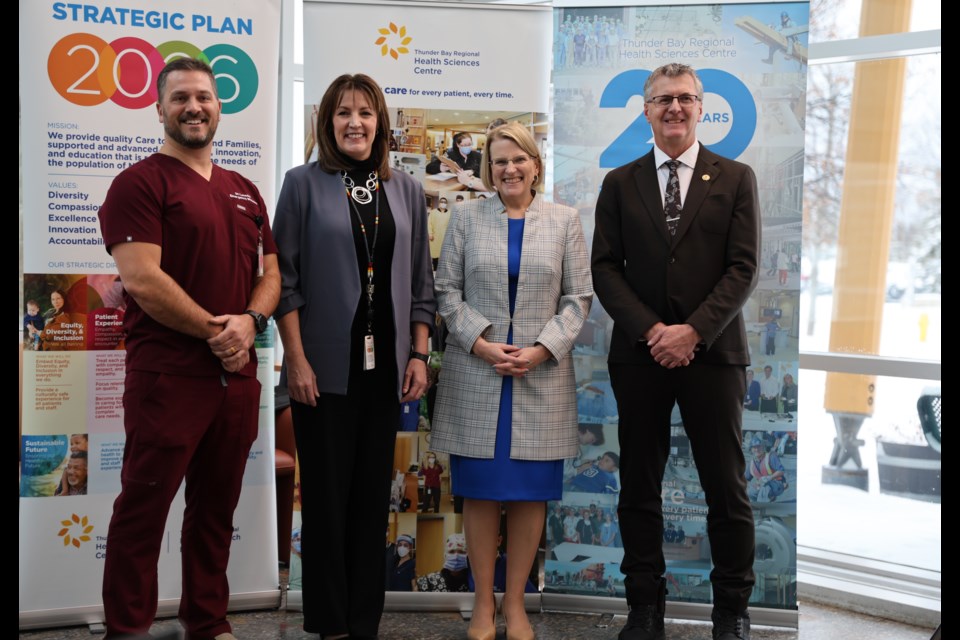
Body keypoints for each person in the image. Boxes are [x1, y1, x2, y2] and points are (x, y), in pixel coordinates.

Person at [97, 57, 280, 640]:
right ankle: (129, 629)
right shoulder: (139, 183)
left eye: (203, 96)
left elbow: (271, 273)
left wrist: (249, 322)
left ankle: (209, 622)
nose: (194, 107)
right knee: (143, 509)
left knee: (215, 511)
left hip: (236, 377)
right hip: (167, 376)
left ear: (219, 105)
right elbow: (143, 279)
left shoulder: (246, 191)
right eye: (180, 98)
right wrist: (217, 332)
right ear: (159, 109)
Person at [591, 63, 759, 640]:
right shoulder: (619, 182)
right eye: (663, 99)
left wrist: (692, 332)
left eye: (686, 98)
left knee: (726, 489)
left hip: (713, 356)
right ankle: (644, 608)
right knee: (639, 484)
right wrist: (654, 332)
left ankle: (732, 613)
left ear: (702, 106)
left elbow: (743, 269)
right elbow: (605, 270)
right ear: (646, 110)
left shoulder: (736, 178)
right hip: (641, 358)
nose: (675, 108)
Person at [272, 73, 435, 640]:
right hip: (321, 369)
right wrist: (294, 359)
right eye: (343, 112)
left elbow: (421, 284)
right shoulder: (301, 184)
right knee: (325, 498)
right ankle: (328, 620)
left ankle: (363, 621)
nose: (355, 123)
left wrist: (419, 353)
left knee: (371, 501)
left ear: (380, 122)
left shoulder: (407, 189)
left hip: (386, 369)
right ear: (327, 122)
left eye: (365, 112)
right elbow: (284, 283)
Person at [431, 122, 593, 640]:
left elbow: (578, 299)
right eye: (499, 161)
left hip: (539, 378)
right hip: (477, 375)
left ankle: (516, 604)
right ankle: (483, 603)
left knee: (528, 496)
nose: (509, 169)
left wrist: (542, 349)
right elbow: (446, 292)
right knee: (480, 493)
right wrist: (479, 342)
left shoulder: (565, 220)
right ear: (489, 169)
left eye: (518, 158)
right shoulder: (465, 218)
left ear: (536, 165)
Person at [745, 437, 787, 502]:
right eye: (754, 447)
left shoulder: (771, 456)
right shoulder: (752, 463)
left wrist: (769, 478)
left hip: (777, 485)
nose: (756, 449)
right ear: (751, 449)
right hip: (761, 485)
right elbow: (746, 478)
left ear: (763, 447)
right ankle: (768, 499)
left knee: (764, 488)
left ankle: (763, 506)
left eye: (758, 447)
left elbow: (781, 471)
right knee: (750, 491)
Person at [428, 197, 452, 270]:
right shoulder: (433, 212)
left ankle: (443, 271)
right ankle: (435, 269)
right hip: (435, 237)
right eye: (442, 202)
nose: (443, 203)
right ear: (439, 203)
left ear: (447, 204)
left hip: (446, 237)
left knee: (445, 255)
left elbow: (452, 225)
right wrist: (430, 234)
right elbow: (429, 224)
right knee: (435, 254)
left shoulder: (450, 213)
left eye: (445, 202)